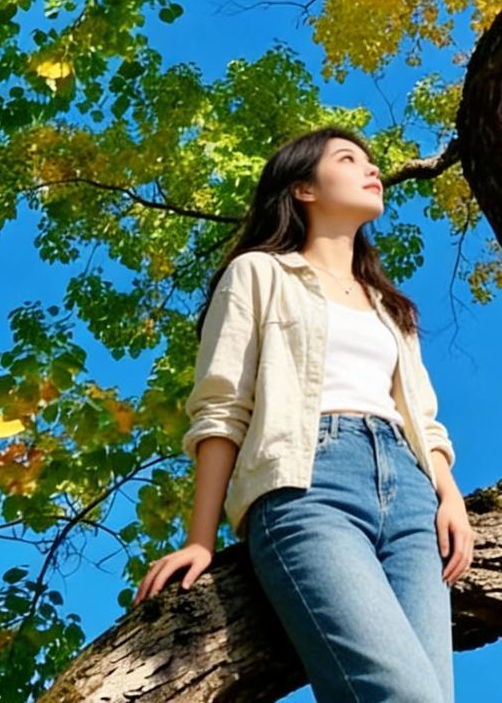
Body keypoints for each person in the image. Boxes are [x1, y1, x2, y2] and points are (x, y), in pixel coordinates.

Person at [134, 126, 473, 703]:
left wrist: (450, 494)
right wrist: (200, 540)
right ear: (303, 190)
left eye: (370, 160)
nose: (372, 169)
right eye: (348, 159)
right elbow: (221, 408)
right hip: (308, 486)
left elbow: (422, 416)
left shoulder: (392, 308)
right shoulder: (258, 273)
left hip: (413, 498)